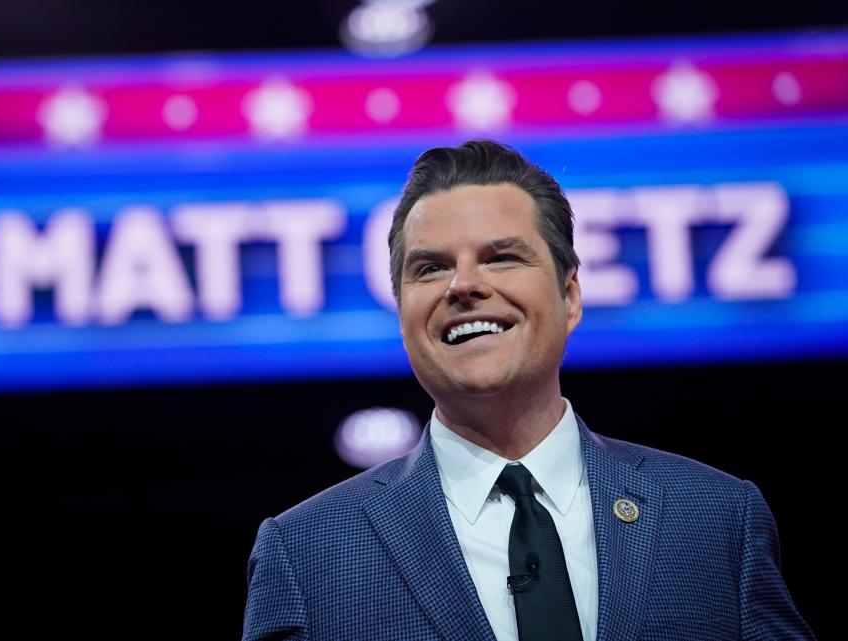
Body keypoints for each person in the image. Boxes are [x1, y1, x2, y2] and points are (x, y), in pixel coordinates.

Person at [242, 140, 815, 641]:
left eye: (501, 258)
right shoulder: (309, 554)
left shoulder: (714, 519)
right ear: (402, 313)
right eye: (431, 269)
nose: (465, 285)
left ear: (570, 297)